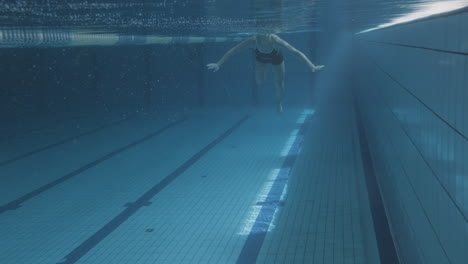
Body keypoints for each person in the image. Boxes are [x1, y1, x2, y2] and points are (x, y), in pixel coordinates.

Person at [206, 33, 324, 113]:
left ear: (269, 35)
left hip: (276, 59)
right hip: (260, 60)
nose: (264, 39)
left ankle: (279, 103)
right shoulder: (253, 40)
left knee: (279, 83)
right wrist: (219, 64)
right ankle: (265, 72)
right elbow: (233, 51)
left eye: (266, 35)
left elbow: (296, 52)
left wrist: (311, 66)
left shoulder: (276, 40)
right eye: (262, 35)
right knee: (260, 81)